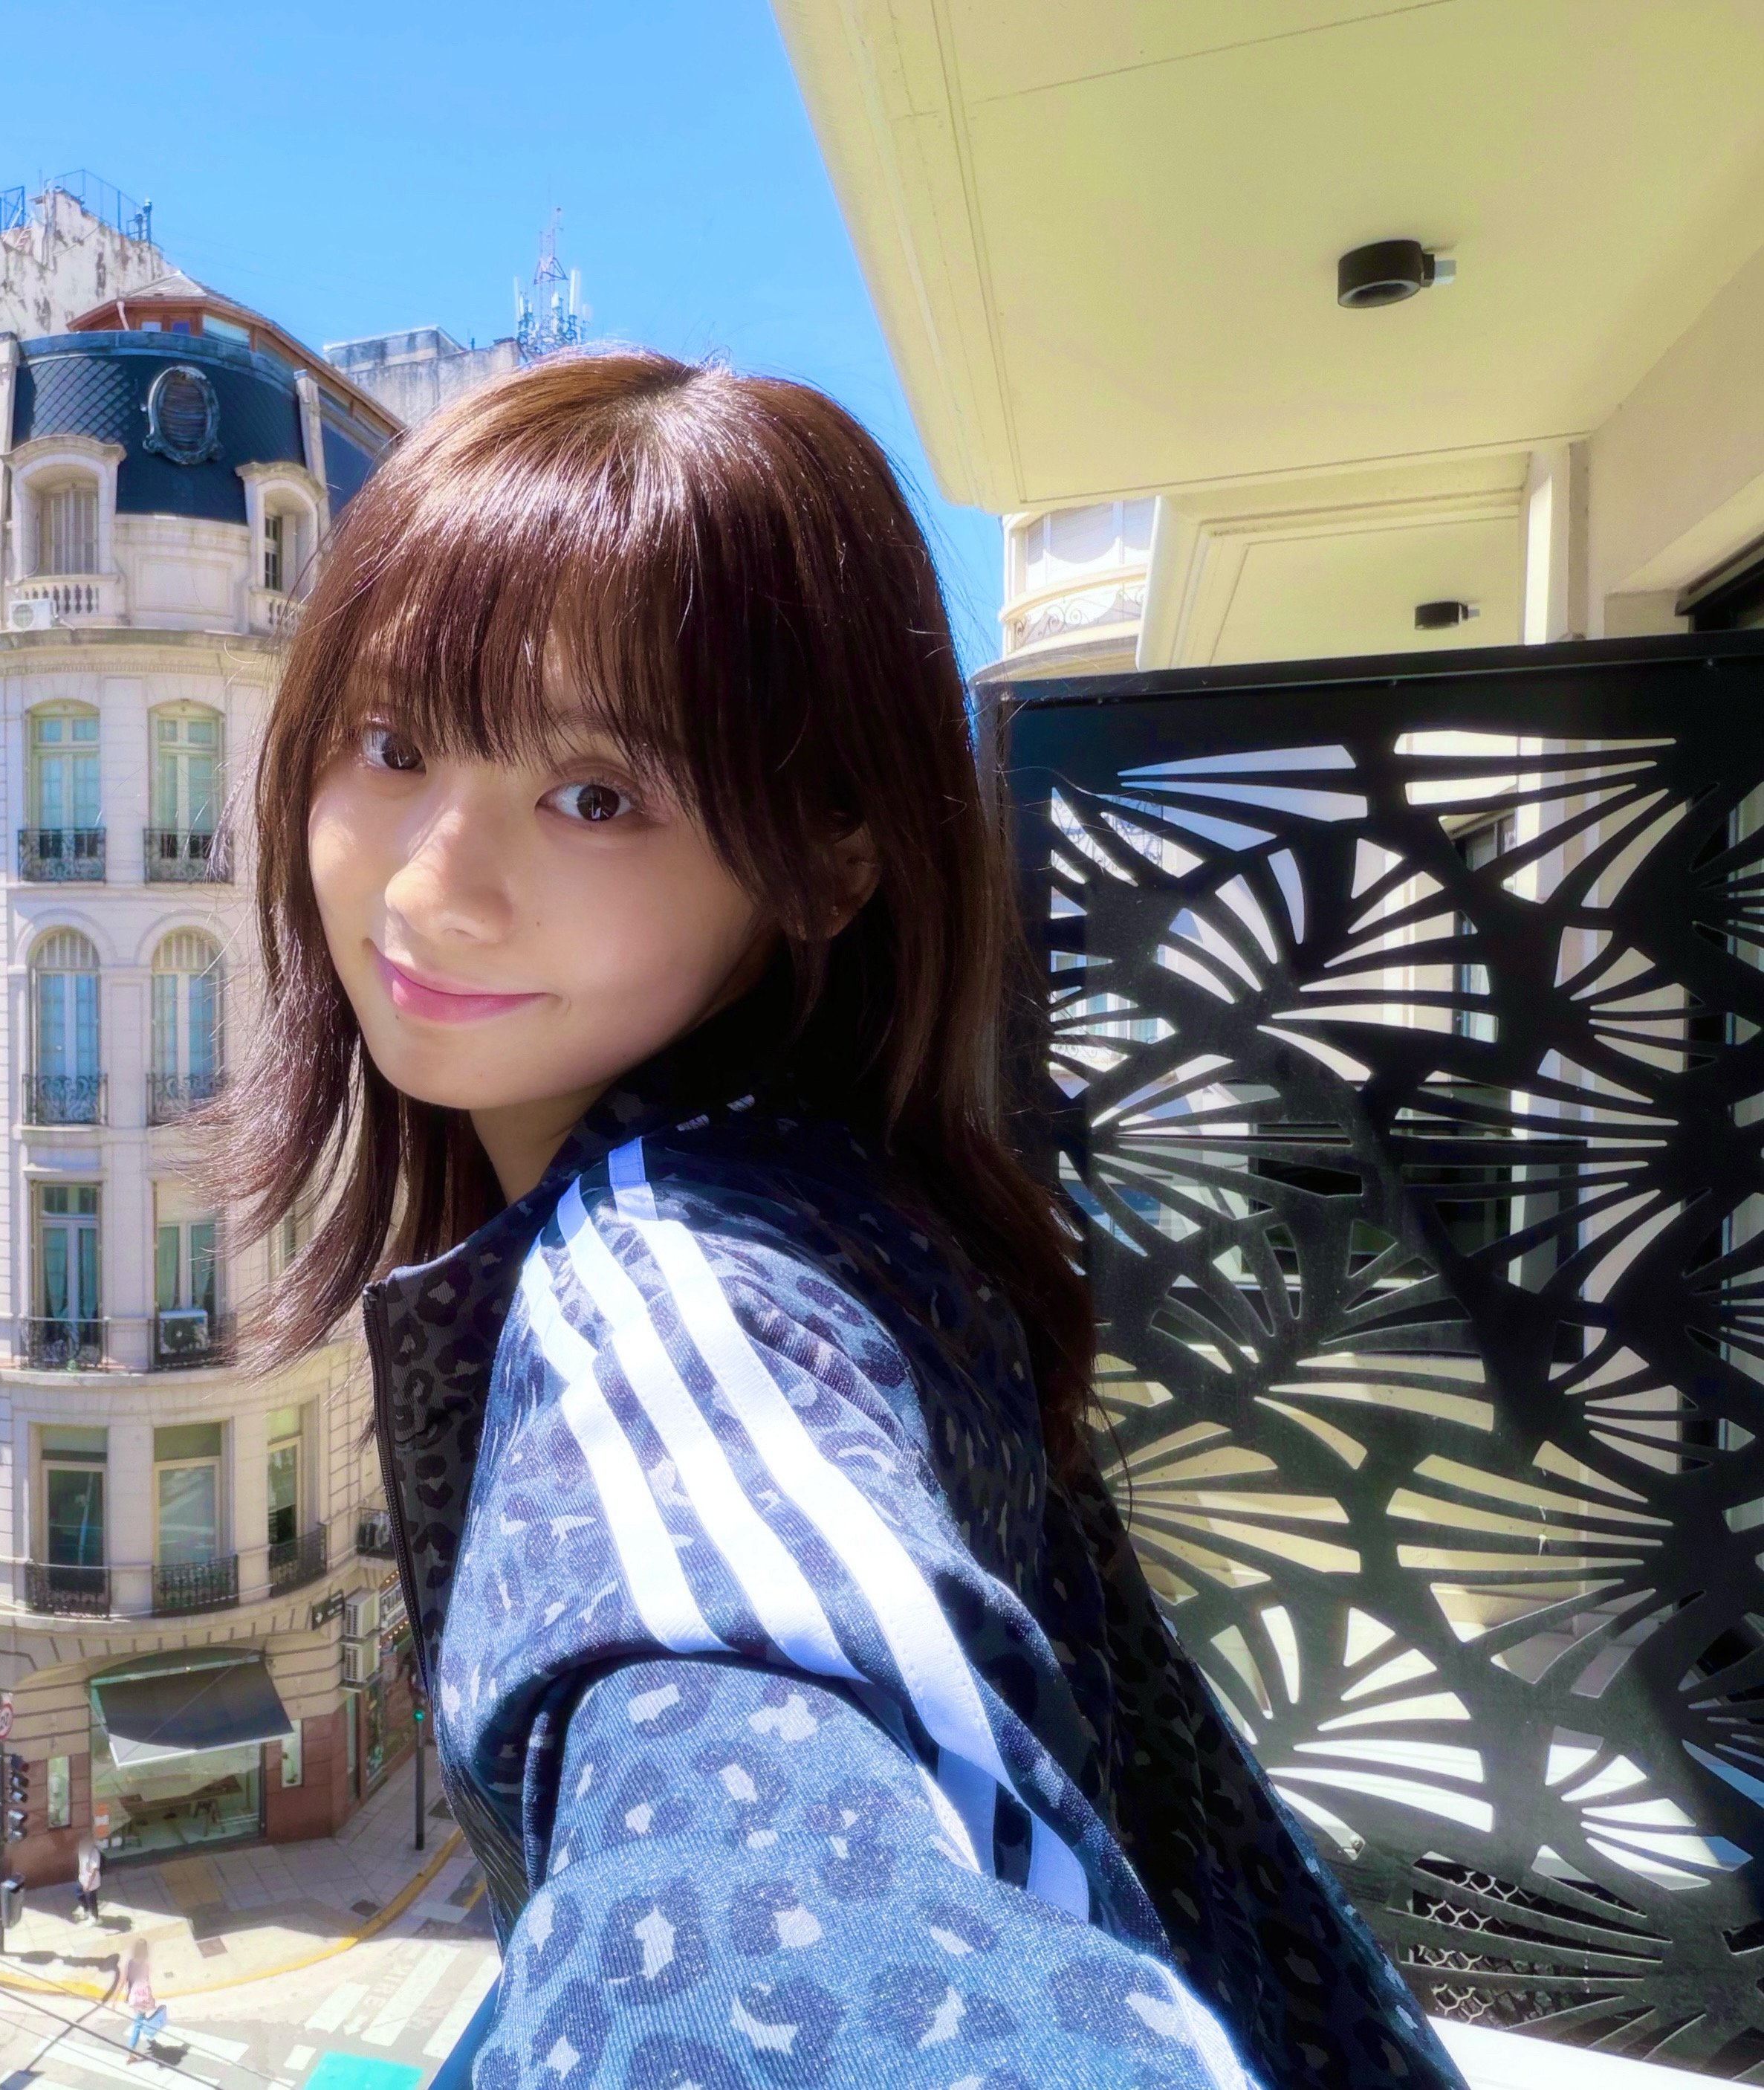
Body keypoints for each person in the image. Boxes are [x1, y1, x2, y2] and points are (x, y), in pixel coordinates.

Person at [210, 350, 1462, 2090]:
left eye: (593, 793)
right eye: (390, 741)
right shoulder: (866, 1194)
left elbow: (767, 1836)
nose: (430, 880)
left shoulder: (672, 1287)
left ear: (827, 853)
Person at [120, 1935, 166, 2057]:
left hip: (134, 1998)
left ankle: (148, 2039)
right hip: (142, 1998)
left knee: (140, 2019)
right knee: (138, 2025)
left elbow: (126, 1980)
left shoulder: (130, 1963)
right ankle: (131, 2053)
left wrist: (127, 1994)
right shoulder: (145, 1965)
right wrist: (151, 1998)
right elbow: (146, 1983)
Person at [74, 1831, 103, 1923]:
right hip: (82, 1878)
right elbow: (81, 1862)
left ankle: (95, 1918)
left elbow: (94, 1871)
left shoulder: (94, 1853)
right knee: (79, 1894)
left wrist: (88, 1885)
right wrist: (80, 1872)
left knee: (91, 1900)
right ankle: (86, 1910)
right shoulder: (82, 1849)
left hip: (91, 1882)